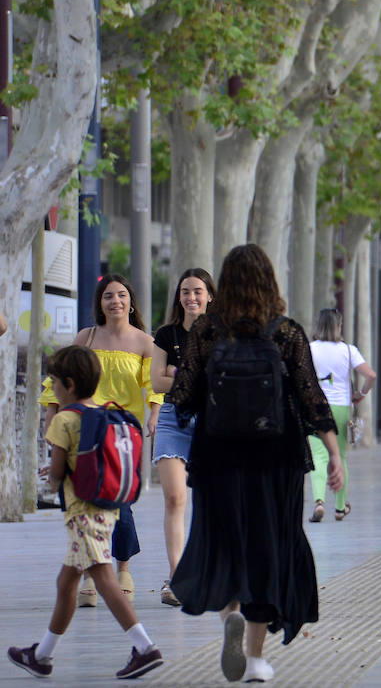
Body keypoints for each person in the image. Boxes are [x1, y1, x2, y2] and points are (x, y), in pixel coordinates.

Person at [167, 243, 343, 684]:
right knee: (269, 544)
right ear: (269, 280)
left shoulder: (206, 330)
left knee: (225, 539)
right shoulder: (285, 332)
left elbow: (182, 398)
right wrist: (334, 452)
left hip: (217, 454)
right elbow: (311, 397)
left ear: (223, 283)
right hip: (275, 457)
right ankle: (256, 658)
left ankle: (230, 612)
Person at [8, 345, 164, 679]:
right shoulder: (108, 410)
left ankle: (145, 646)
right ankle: (42, 655)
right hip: (108, 509)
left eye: (55, 383)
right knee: (66, 583)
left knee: (104, 577)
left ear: (69, 384)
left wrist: (51, 472)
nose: (54, 390)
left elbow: (59, 474)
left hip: (82, 514)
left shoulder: (64, 420)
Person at [40, 274, 160, 608]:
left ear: (130, 301)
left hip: (123, 432)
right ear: (100, 303)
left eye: (122, 295)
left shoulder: (144, 342)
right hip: (83, 429)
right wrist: (52, 414)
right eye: (108, 296)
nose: (116, 301)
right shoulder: (86, 336)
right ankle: (93, 571)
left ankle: (123, 568)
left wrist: (153, 416)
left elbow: (153, 387)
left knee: (118, 500)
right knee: (86, 500)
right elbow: (61, 378)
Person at [150, 268, 216, 607]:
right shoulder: (166, 334)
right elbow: (156, 383)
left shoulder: (221, 333)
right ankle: (176, 579)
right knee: (175, 499)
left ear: (209, 296)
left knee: (209, 502)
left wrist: (177, 372)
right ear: (179, 296)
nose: (191, 297)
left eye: (198, 291)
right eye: (186, 291)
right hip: (173, 420)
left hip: (211, 422)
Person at [308, 308, 376, 522]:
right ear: (338, 326)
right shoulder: (348, 350)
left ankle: (319, 502)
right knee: (341, 456)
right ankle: (339, 508)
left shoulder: (310, 349)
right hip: (340, 407)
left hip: (315, 406)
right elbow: (371, 375)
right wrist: (361, 394)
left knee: (318, 456)